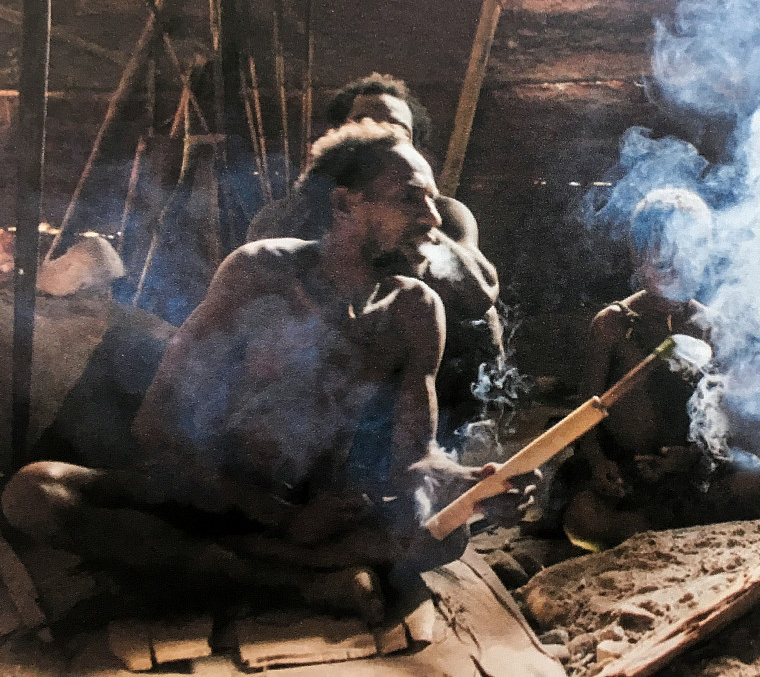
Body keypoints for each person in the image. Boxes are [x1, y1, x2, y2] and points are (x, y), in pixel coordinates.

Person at [2, 123, 521, 620]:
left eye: (432, 200)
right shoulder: (261, 272)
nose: (433, 218)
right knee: (34, 492)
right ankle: (295, 580)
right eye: (411, 198)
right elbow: (154, 425)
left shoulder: (416, 310)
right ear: (344, 204)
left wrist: (472, 487)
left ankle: (230, 566)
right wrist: (280, 517)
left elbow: (414, 457)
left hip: (317, 510)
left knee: (448, 532)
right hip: (206, 492)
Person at [248, 73, 504, 447]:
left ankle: (455, 435)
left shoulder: (443, 214)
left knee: (484, 319)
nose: (383, 137)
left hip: (413, 377)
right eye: (368, 125)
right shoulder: (290, 216)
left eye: (398, 132)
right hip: (315, 377)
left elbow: (481, 294)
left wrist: (419, 228)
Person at [560, 188, 760, 549]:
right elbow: (584, 413)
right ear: (638, 258)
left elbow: (721, 415)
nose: (677, 274)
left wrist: (693, 457)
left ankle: (668, 523)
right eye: (664, 264)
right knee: (585, 518)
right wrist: (598, 462)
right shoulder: (612, 325)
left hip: (689, 471)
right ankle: (674, 525)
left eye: (691, 260)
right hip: (627, 472)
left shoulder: (711, 326)